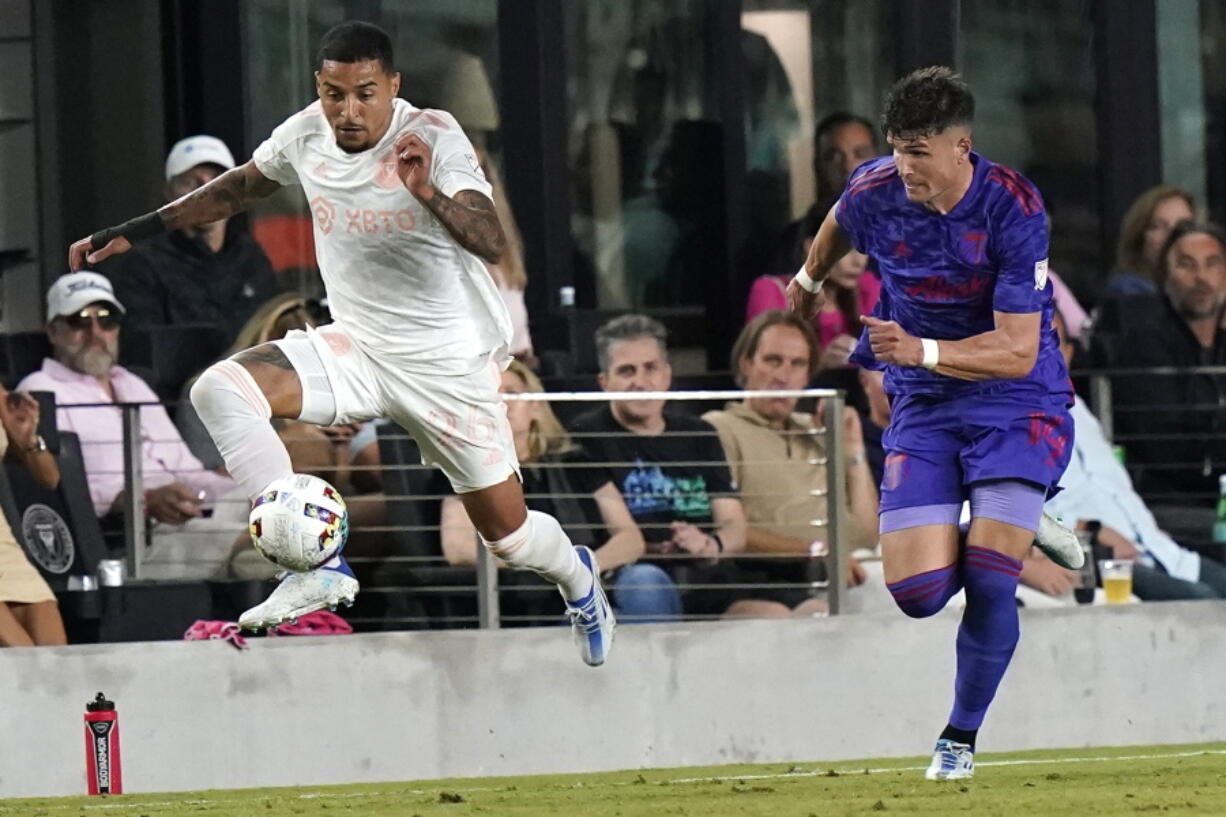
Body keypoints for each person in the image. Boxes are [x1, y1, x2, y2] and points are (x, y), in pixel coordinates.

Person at [70, 22, 614, 665]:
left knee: (509, 538)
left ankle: (580, 581)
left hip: (445, 369)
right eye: (333, 94)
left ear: (393, 87)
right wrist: (139, 231)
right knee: (221, 388)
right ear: (318, 87)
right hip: (355, 349)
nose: (347, 111)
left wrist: (427, 192)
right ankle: (315, 566)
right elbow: (244, 184)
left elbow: (492, 241)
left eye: (364, 94)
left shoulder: (433, 135)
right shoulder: (306, 132)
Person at [787, 66, 1081, 780]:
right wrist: (807, 279)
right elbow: (838, 221)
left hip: (1015, 397)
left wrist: (917, 349)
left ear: (961, 147)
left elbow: (1015, 349)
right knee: (916, 595)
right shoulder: (876, 187)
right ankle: (1006, 518)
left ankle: (958, 738)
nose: (904, 165)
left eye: (919, 150)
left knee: (987, 573)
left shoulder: (1012, 206)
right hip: (925, 397)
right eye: (896, 147)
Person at [442, 360, 677, 622]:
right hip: (529, 592)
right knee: (592, 624)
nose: (501, 404)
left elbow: (630, 537)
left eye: (512, 394)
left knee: (647, 581)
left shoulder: (576, 462)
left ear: (535, 407)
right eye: (489, 395)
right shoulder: (464, 470)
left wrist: (580, 572)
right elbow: (458, 549)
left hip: (596, 576)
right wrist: (548, 570)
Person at [703, 312, 884, 617]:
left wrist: (853, 449)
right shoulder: (718, 428)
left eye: (797, 364)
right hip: (775, 577)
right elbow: (729, 531)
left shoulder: (819, 429)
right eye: (773, 360)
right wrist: (818, 553)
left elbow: (868, 533)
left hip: (852, 569)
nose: (783, 376)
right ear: (747, 365)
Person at [569, 314, 750, 618]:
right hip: (636, 574)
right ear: (605, 383)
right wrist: (661, 547)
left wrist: (709, 545)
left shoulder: (700, 434)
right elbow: (615, 534)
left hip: (707, 576)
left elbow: (734, 526)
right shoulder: (587, 436)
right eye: (627, 371)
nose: (641, 382)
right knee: (647, 584)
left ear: (666, 375)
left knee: (781, 614)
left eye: (650, 368)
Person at [19, 273, 234, 527]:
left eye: (107, 320)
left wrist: (241, 488)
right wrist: (144, 500)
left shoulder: (132, 383)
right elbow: (57, 491)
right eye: (80, 320)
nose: (95, 333)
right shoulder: (39, 390)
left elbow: (189, 472)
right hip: (130, 533)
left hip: (188, 517)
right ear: (53, 331)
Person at [1045, 311, 1226, 600]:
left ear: (1068, 353)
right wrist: (1090, 530)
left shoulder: (1078, 409)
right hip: (1101, 559)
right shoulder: (1006, 425)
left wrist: (1148, 532)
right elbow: (1013, 514)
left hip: (1160, 552)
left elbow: (1115, 489)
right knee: (1208, 610)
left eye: (1052, 343)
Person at [1101, 221, 1226, 511]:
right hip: (1172, 504)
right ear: (1165, 277)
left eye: (1212, 264)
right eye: (1186, 265)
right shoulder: (1143, 345)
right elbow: (1167, 447)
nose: (1201, 278)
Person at [109, 135, 279, 348]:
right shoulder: (143, 264)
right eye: (191, 182)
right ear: (170, 194)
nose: (206, 191)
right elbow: (144, 350)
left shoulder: (252, 257)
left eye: (218, 180)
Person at [0, 384, 68, 646]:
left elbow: (49, 478)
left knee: (55, 664)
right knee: (24, 664)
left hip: (6, 550)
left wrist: (28, 439)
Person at [746, 242, 880, 371]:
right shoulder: (772, 290)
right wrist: (819, 363)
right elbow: (770, 368)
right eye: (846, 249)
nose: (859, 262)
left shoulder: (867, 288)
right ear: (811, 246)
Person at [1104, 185, 1196, 297]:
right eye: (1158, 226)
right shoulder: (1128, 291)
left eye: (1183, 225)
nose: (1173, 235)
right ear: (1140, 238)